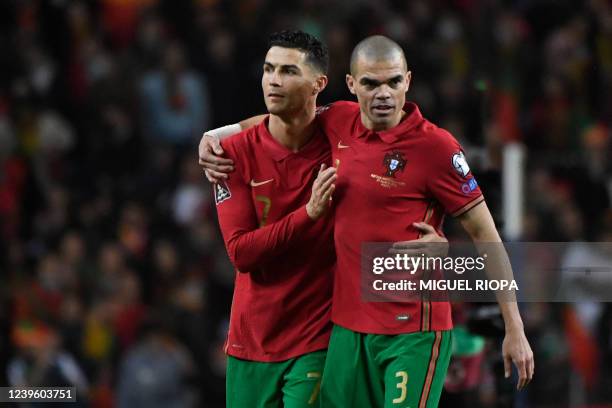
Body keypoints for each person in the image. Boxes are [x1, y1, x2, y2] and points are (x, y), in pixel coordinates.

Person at [202, 34, 511, 407]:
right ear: (351, 86)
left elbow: (486, 232)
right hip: (348, 329)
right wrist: (219, 133)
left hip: (410, 326)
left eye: (393, 82)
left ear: (407, 81)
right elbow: (288, 113)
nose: (382, 93)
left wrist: (512, 324)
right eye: (370, 83)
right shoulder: (340, 122)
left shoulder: (436, 147)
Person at [211, 30, 335, 408]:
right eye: (268, 69)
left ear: (319, 84)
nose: (274, 80)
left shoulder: (343, 136)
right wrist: (309, 215)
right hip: (252, 338)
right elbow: (241, 253)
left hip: (317, 336)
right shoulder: (230, 154)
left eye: (287, 71)